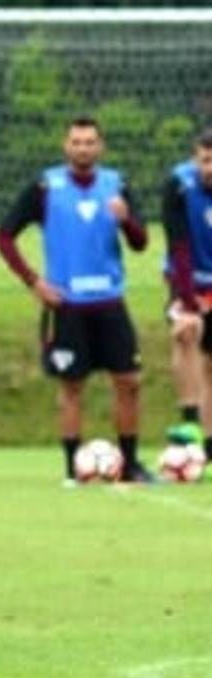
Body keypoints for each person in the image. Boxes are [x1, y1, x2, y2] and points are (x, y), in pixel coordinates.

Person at [0, 115, 154, 484]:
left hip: (110, 302)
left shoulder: (117, 185)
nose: (83, 148)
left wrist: (126, 220)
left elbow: (141, 243)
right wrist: (34, 282)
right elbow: (3, 237)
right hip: (67, 306)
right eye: (76, 142)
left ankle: (129, 465)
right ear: (66, 146)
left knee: (129, 382)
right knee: (71, 387)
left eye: (90, 142)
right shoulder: (45, 187)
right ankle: (72, 469)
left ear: (101, 147)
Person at [158, 126, 212, 459]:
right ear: (195, 158)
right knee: (186, 330)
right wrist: (189, 300)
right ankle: (190, 423)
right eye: (205, 160)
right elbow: (177, 244)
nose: (211, 168)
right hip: (187, 277)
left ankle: (206, 446)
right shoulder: (178, 185)